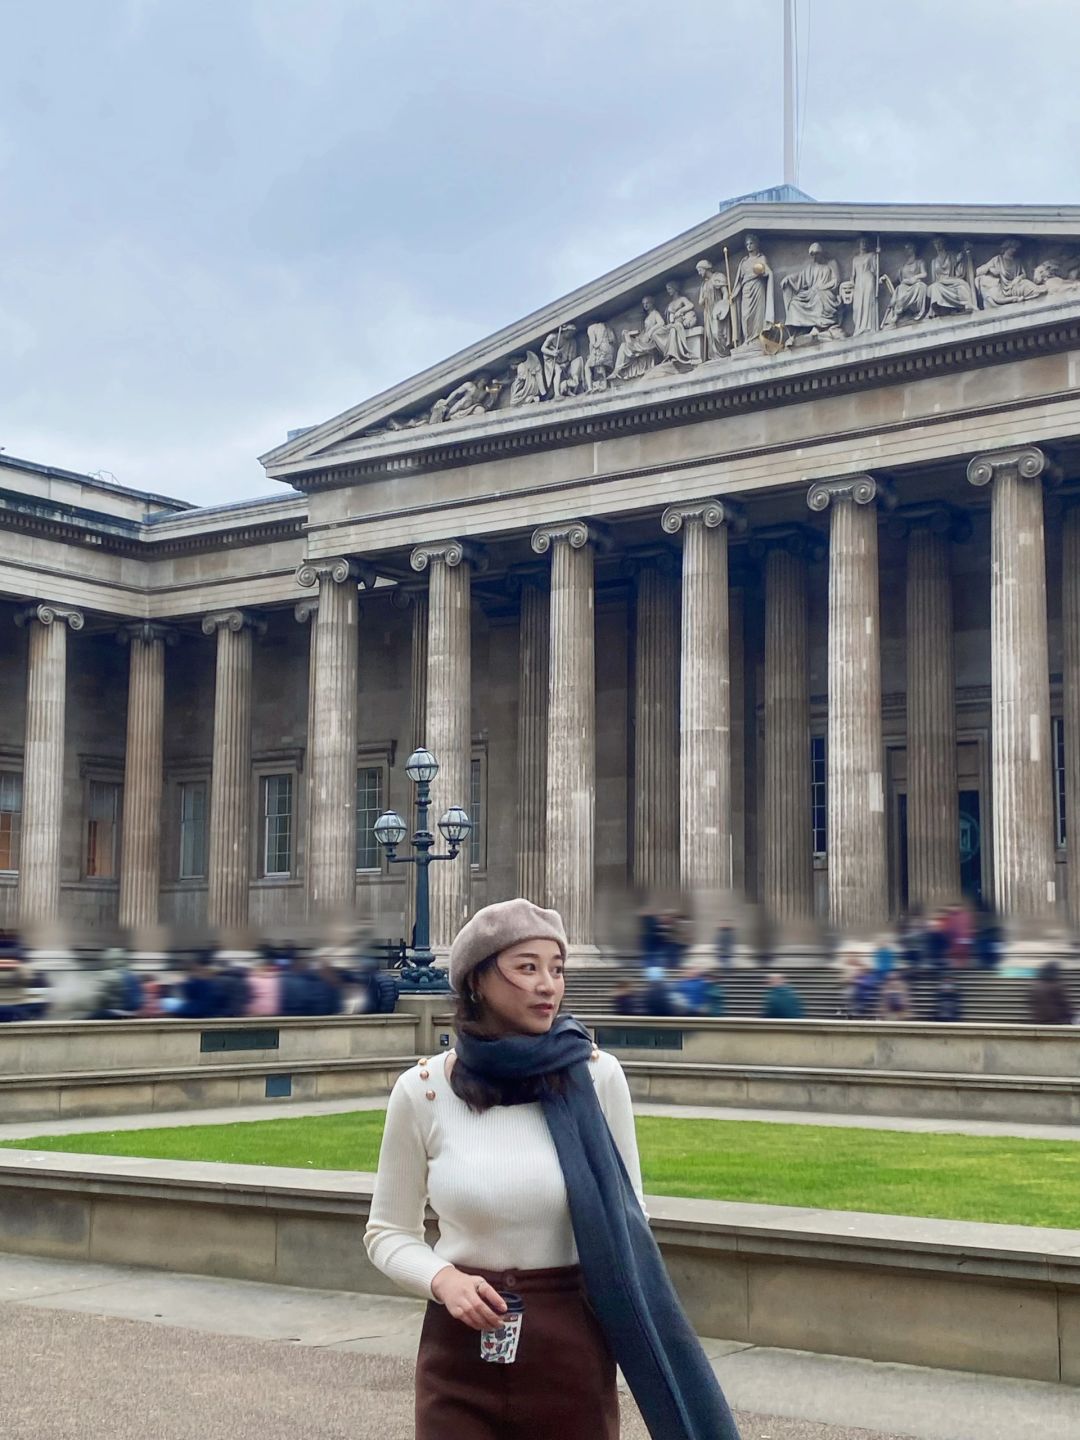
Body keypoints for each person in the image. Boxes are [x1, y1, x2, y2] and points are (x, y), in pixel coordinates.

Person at [365, 898, 740, 1440]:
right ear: (477, 981)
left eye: (557, 969)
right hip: (458, 1354)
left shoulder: (596, 1076)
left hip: (569, 1349)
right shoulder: (422, 1090)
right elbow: (387, 1232)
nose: (548, 986)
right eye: (527, 967)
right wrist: (443, 1280)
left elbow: (629, 1218)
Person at [1028, 961, 1076, 1026]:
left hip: (1040, 1021)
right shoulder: (1056, 986)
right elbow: (1064, 1005)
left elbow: (1031, 1002)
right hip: (1056, 1021)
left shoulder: (1036, 986)